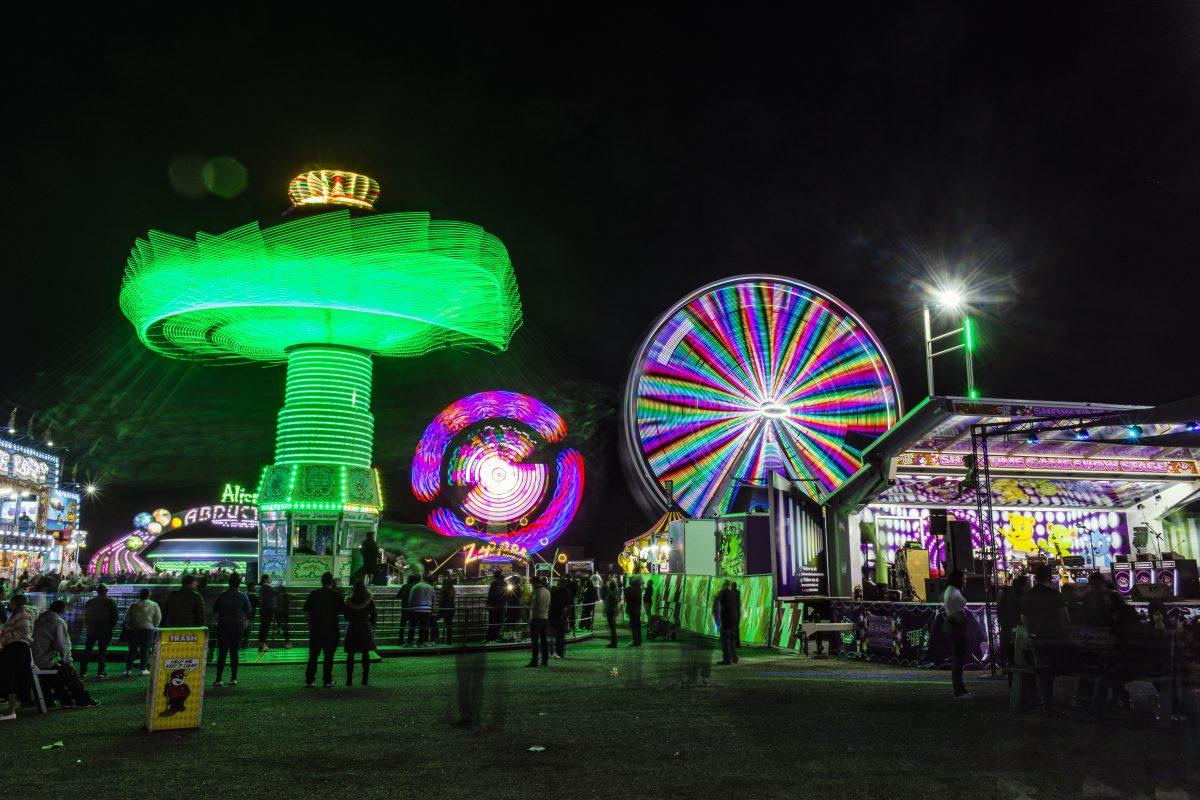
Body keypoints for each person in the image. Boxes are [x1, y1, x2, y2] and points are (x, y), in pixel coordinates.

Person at [1021, 564, 1074, 715]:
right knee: (1061, 668)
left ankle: (1047, 704)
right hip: (1055, 637)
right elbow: (1063, 615)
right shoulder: (1054, 594)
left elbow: (1024, 617)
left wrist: (1031, 632)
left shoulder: (1029, 595)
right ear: (1050, 579)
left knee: (1043, 672)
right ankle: (1066, 700)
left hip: (1038, 638)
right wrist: (1066, 634)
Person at [31, 600, 98, 710]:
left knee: (58, 670)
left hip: (34, 660)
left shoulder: (38, 619)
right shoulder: (57, 621)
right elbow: (63, 645)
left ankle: (65, 700)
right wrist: (68, 661)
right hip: (44, 660)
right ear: (62, 610)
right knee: (68, 671)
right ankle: (83, 700)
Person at [0, 594, 38, 720]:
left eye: (11, 602)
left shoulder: (22, 614)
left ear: (15, 603)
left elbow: (24, 633)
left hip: (16, 649)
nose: (9, 604)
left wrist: (5, 637)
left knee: (13, 678)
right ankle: (10, 710)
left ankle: (11, 711)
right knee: (12, 678)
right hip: (15, 648)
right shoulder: (19, 613)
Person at [304, 572, 346, 687]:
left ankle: (310, 679)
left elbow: (306, 610)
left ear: (321, 581)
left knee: (313, 656)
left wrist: (310, 623)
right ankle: (327, 679)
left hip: (316, 628)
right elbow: (344, 610)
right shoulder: (336, 595)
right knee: (329, 656)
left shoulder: (314, 594)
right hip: (331, 629)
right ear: (331, 582)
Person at [212, 574, 252, 687]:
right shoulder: (243, 596)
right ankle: (233, 678)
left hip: (223, 625)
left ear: (229, 583)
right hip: (237, 625)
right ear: (239, 584)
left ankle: (218, 679)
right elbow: (248, 610)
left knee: (222, 652)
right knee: (234, 652)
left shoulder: (222, 595)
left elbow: (215, 609)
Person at [80, 583, 118, 678]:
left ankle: (82, 670)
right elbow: (115, 617)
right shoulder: (111, 602)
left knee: (87, 650)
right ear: (106, 591)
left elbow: (85, 616)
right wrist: (111, 626)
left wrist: (89, 624)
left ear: (97, 591)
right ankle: (100, 671)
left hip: (92, 628)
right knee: (102, 651)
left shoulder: (90, 602)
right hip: (105, 629)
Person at [343, 580, 377, 686]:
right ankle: (364, 679)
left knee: (350, 653)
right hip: (365, 627)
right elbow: (374, 614)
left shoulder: (349, 600)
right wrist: (370, 624)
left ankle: (349, 679)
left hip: (353, 627)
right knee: (365, 652)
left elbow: (346, 616)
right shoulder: (369, 600)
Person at [943, 570, 970, 698]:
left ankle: (959, 689)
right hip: (956, 626)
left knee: (958, 659)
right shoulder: (954, 592)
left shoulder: (950, 590)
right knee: (958, 659)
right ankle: (959, 690)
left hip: (954, 624)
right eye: (963, 579)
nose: (965, 581)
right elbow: (958, 611)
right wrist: (961, 622)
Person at [124, 588, 161, 676]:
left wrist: (129, 626)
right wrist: (154, 625)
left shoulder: (134, 605)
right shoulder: (154, 605)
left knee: (132, 650)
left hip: (134, 629)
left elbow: (127, 617)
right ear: (149, 595)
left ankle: (128, 670)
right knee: (145, 649)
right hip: (148, 629)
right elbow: (158, 617)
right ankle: (143, 669)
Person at [996, 573, 1029, 671]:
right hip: (1019, 632)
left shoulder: (1006, 595)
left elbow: (1001, 613)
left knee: (1011, 660)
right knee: (1021, 660)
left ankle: (1012, 682)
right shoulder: (1021, 598)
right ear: (1023, 585)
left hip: (1007, 632)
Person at [527, 577, 551, 667]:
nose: (532, 586)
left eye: (532, 584)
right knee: (544, 641)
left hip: (536, 618)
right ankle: (545, 660)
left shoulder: (536, 592)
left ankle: (535, 660)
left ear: (535, 583)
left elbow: (531, 605)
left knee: (535, 641)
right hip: (545, 618)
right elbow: (549, 604)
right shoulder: (548, 592)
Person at [716, 580, 741, 665]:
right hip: (733, 619)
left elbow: (718, 603)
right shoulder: (732, 593)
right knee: (731, 640)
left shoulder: (723, 592)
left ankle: (727, 659)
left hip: (726, 619)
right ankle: (734, 657)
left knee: (725, 640)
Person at [409, 574, 436, 646]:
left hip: (415, 609)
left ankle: (410, 642)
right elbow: (434, 600)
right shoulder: (431, 588)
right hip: (427, 610)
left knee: (412, 627)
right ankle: (421, 642)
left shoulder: (415, 586)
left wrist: (409, 608)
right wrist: (432, 610)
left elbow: (411, 598)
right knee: (423, 627)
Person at [549, 578, 572, 659]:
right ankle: (560, 652)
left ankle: (555, 652)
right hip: (562, 616)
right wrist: (567, 616)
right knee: (561, 636)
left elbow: (552, 604)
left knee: (554, 635)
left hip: (555, 616)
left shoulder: (556, 592)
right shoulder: (568, 592)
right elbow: (569, 605)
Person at [257, 574, 278, 653]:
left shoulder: (262, 588)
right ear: (265, 580)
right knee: (265, 627)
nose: (270, 579)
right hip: (268, 610)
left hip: (263, 610)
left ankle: (260, 644)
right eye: (269, 578)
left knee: (263, 627)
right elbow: (276, 593)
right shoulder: (267, 587)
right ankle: (263, 644)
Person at [396, 574, 418, 646]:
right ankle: (410, 641)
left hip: (405, 608)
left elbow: (398, 595)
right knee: (412, 626)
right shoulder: (416, 587)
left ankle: (400, 640)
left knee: (402, 625)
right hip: (413, 608)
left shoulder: (405, 586)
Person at [485, 570, 506, 643]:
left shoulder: (493, 584)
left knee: (492, 623)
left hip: (493, 607)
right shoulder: (504, 584)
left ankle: (489, 638)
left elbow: (490, 596)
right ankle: (493, 638)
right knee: (499, 623)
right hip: (501, 606)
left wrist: (488, 604)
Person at [624, 577, 644, 647]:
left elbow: (628, 599)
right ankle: (638, 641)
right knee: (637, 626)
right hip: (637, 610)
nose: (629, 580)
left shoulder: (631, 589)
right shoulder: (639, 589)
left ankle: (635, 641)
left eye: (630, 580)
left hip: (632, 610)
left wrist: (626, 591)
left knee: (634, 626)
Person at [438, 576, 456, 645]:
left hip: (445, 610)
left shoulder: (445, 590)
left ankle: (436, 637)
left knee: (433, 620)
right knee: (449, 625)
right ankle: (449, 641)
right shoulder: (451, 590)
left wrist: (440, 608)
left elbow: (443, 600)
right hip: (451, 609)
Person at [602, 578, 620, 648]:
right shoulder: (615, 593)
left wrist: (605, 610)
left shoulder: (611, 594)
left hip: (611, 612)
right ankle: (613, 642)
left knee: (612, 628)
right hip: (613, 611)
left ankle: (614, 643)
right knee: (613, 628)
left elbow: (609, 604)